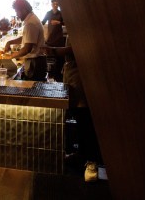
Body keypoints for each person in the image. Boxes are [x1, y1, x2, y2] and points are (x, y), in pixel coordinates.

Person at [43, 36, 103, 182]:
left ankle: (91, 162)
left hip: (81, 75)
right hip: (72, 73)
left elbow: (79, 47)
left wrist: (55, 51)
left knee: (85, 119)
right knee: (78, 116)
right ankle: (81, 153)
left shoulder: (81, 23)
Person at [3, 0, 45, 79]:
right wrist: (10, 42)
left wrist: (11, 56)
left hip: (34, 63)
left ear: (24, 10)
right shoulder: (31, 19)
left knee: (32, 90)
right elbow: (27, 37)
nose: (17, 14)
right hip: (36, 62)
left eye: (17, 11)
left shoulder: (30, 23)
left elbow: (27, 49)